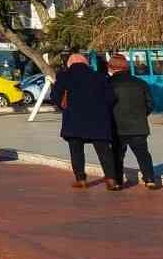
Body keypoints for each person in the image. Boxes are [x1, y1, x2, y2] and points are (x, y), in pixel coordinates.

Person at [47, 53, 119, 189]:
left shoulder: (64, 76)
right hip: (98, 120)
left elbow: (55, 96)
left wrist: (66, 109)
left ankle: (81, 179)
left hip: (74, 120)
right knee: (104, 150)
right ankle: (111, 179)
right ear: (86, 63)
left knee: (76, 150)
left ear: (69, 64)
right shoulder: (99, 76)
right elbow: (111, 97)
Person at [107, 54, 162, 190]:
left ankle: (118, 181)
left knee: (117, 155)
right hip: (138, 125)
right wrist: (141, 115)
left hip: (117, 126)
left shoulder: (108, 84)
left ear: (111, 67)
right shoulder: (140, 83)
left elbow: (105, 105)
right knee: (143, 154)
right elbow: (150, 104)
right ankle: (149, 179)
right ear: (126, 66)